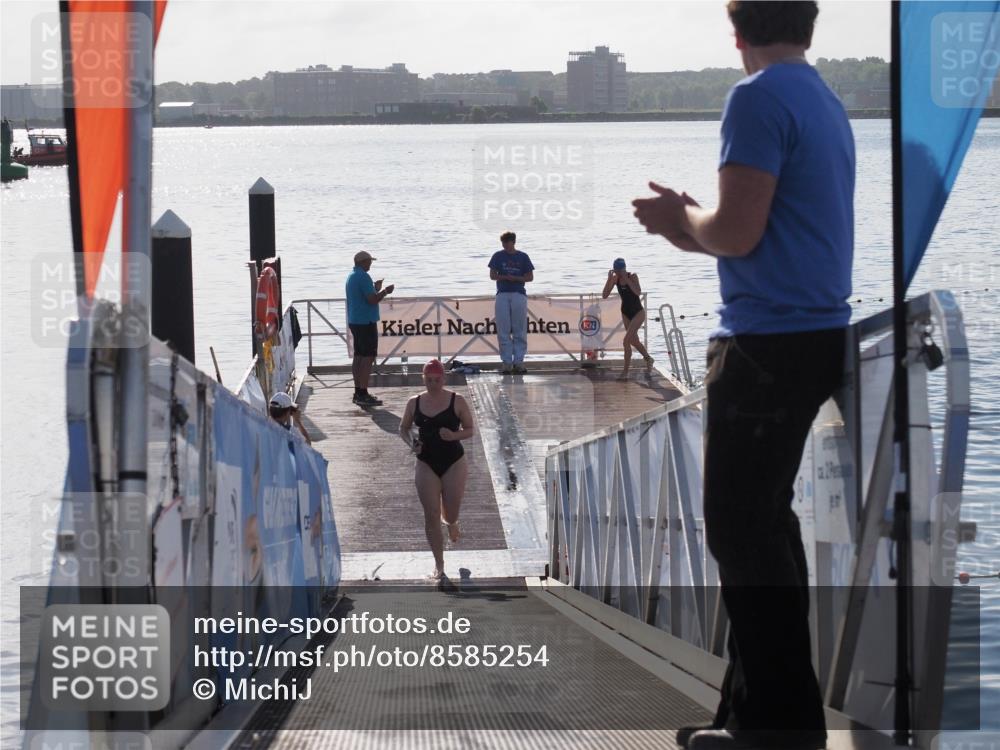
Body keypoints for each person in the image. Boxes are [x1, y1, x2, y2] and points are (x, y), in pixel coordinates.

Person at [632, 3, 853, 749]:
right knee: (766, 526)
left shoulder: (755, 97)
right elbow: (760, 235)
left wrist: (677, 220)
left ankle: (777, 726)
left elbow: (735, 234)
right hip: (814, 334)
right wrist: (695, 218)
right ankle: (756, 713)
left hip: (763, 346)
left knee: (739, 530)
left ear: (737, 33)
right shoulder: (823, 98)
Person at [398, 359, 475, 579]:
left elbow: (470, 430)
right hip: (426, 462)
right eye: (429, 380)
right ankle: (439, 565)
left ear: (444, 378)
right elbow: (403, 428)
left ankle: (452, 522)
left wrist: (454, 435)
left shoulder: (456, 400)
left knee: (449, 513)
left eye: (437, 380)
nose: (433, 384)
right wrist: (411, 442)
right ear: (423, 379)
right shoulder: (414, 402)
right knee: (431, 514)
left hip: (454, 462)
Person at [345, 250, 394, 406]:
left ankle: (358, 391)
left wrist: (375, 288)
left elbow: (365, 295)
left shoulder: (352, 276)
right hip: (365, 322)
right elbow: (372, 300)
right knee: (367, 358)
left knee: (358, 357)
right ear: (363, 262)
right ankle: (363, 393)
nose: (371, 264)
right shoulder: (363, 277)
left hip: (355, 320)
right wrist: (385, 291)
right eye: (369, 261)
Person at [488, 231, 534, 374]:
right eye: (503, 243)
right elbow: (492, 275)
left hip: (518, 293)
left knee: (519, 329)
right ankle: (507, 362)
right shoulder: (497, 256)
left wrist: (517, 279)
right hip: (502, 293)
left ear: (513, 242)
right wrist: (504, 276)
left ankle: (519, 361)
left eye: (507, 243)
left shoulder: (523, 256)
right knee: (503, 329)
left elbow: (530, 277)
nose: (505, 246)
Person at [601, 257, 654, 379]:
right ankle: (648, 358)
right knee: (633, 341)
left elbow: (637, 292)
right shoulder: (615, 279)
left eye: (620, 271)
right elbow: (604, 295)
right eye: (616, 271)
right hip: (625, 312)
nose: (618, 273)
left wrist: (626, 279)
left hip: (638, 312)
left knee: (626, 341)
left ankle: (625, 373)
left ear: (624, 269)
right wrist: (609, 280)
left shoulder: (633, 276)